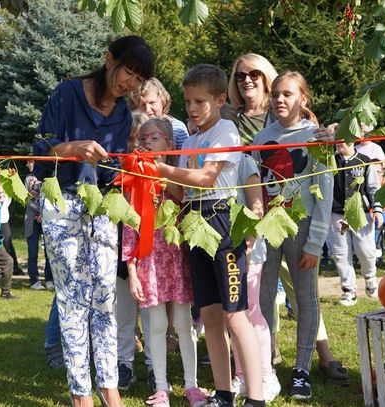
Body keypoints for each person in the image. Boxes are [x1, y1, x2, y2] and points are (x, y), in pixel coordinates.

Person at [33, 35, 155, 407]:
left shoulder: (121, 113)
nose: (129, 83)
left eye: (138, 79)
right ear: (108, 59)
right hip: (61, 204)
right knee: (72, 300)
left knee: (105, 297)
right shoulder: (66, 93)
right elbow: (40, 155)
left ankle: (109, 389)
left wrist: (127, 164)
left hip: (99, 207)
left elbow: (109, 171)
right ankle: (80, 394)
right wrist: (72, 149)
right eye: (127, 72)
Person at [157, 64, 265, 407]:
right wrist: (148, 168)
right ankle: (223, 393)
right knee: (211, 315)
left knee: (236, 314)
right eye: (188, 101)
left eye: (200, 101)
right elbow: (179, 189)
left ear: (220, 99)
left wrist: (161, 167)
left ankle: (256, 396)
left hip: (222, 224)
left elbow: (205, 179)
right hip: (194, 224)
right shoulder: (189, 141)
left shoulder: (226, 131)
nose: (191, 109)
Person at [252, 71, 333, 400]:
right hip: (268, 226)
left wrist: (314, 243)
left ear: (303, 99)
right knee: (263, 296)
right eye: (276, 94)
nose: (280, 100)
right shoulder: (260, 139)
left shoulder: (316, 138)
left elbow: (324, 194)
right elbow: (253, 185)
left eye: (287, 94)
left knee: (305, 297)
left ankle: (302, 368)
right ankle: (264, 366)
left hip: (302, 226)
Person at [124, 118, 206, 407]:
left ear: (170, 145)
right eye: (141, 138)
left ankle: (192, 385)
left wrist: (164, 174)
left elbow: (187, 200)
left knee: (184, 323)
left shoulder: (180, 176)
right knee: (156, 325)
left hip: (177, 260)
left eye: (154, 137)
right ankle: (161, 387)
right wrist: (131, 269)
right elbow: (129, 227)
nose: (145, 142)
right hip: (149, 262)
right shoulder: (133, 182)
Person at [231, 154, 281, 402]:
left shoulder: (244, 162)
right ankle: (241, 375)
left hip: (248, 250)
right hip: (226, 252)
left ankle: (266, 374)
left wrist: (249, 246)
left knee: (251, 311)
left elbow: (257, 206)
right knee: (233, 314)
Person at [116, 109, 154, 391]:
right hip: (122, 252)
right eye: (130, 139)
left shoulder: (156, 170)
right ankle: (124, 363)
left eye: (140, 139)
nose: (135, 145)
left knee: (153, 315)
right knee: (123, 312)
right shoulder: (116, 170)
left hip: (152, 255)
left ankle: (155, 364)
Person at [328, 141, 382, 306]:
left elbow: (374, 188)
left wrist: (377, 209)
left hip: (360, 213)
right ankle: (349, 290)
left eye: (343, 140)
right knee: (341, 253)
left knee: (365, 250)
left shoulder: (365, 161)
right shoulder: (330, 161)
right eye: (337, 140)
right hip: (337, 215)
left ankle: (370, 277)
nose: (340, 144)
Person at [228, 53, 278, 145]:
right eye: (240, 76)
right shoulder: (228, 118)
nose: (247, 80)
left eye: (254, 74)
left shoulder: (281, 114)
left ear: (266, 78)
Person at [129, 78, 190, 150]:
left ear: (163, 101)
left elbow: (187, 157)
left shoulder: (178, 128)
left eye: (152, 103)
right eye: (143, 104)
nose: (148, 109)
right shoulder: (132, 127)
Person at [24, 159, 53, 290]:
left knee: (49, 250)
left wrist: (44, 212)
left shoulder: (48, 177)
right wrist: (39, 211)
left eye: (30, 162)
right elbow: (26, 198)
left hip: (46, 218)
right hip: (32, 219)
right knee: (33, 251)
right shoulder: (28, 179)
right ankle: (34, 280)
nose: (27, 165)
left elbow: (51, 197)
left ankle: (49, 278)